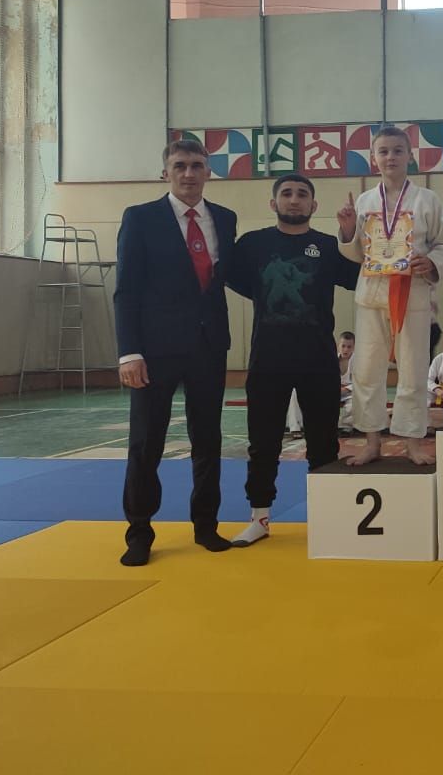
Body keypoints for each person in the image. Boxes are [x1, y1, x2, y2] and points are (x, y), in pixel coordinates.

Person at [115, 139, 238, 567]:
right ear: (165, 172)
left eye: (197, 165)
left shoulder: (225, 218)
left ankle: (206, 525)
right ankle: (139, 532)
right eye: (180, 165)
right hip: (155, 350)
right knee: (146, 442)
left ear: (208, 172)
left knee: (208, 440)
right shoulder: (140, 218)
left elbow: (225, 277)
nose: (189, 173)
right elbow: (127, 289)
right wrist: (129, 352)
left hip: (208, 345)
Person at [224, 174, 360, 547]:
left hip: (317, 357)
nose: (294, 199)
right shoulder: (253, 244)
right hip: (269, 356)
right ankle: (260, 518)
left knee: (323, 442)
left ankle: (328, 517)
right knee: (263, 441)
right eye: (286, 193)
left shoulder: (328, 245)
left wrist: (349, 233)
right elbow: (233, 278)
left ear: (314, 205)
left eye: (302, 194)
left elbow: (355, 279)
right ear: (274, 203)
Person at [337, 127, 443, 464]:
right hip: (372, 295)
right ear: (373, 158)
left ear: (410, 156)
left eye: (398, 150)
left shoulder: (427, 200)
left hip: (412, 294)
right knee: (366, 371)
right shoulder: (364, 202)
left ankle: (413, 443)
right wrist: (348, 229)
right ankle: (372, 442)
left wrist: (430, 262)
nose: (391, 157)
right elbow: (357, 254)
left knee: (413, 371)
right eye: (384, 151)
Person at [337, 331, 355, 434]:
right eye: (343, 346)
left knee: (354, 404)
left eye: (349, 347)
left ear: (353, 347)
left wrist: (346, 389)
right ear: (338, 346)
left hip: (350, 393)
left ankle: (345, 427)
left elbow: (360, 382)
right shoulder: (332, 359)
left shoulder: (357, 360)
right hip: (334, 391)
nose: (346, 350)